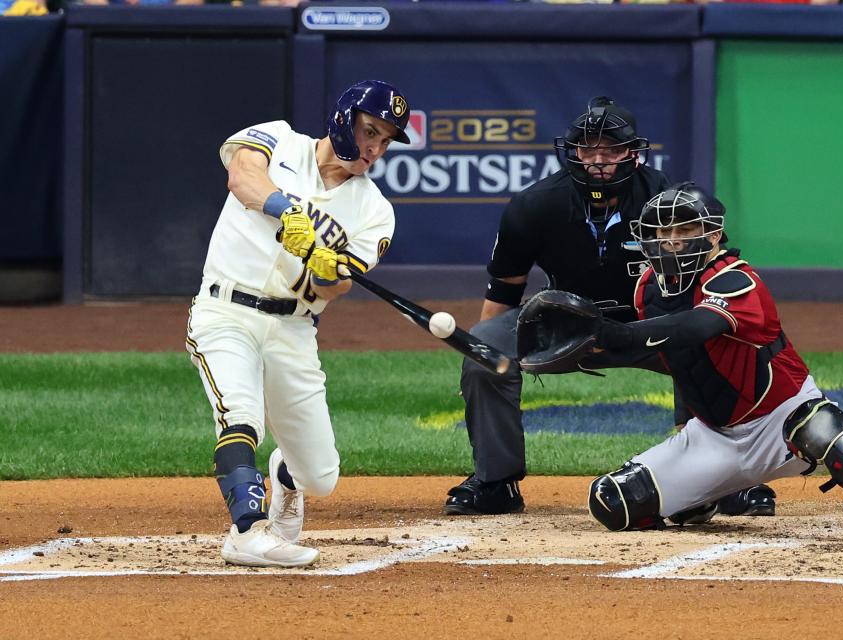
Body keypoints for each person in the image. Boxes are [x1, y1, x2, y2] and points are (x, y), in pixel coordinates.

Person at [519, 183, 843, 542]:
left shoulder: (735, 278)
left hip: (779, 418)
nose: (672, 241)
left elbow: (697, 327)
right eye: (663, 232)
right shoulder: (649, 288)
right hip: (714, 436)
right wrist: (595, 354)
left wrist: (617, 334)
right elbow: (672, 354)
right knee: (612, 503)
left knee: (819, 421)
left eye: (684, 230)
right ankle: (703, 498)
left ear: (713, 235)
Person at [445, 97, 776, 520]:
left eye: (611, 149)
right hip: (564, 324)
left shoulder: (665, 200)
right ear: (572, 152)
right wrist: (480, 361)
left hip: (652, 322)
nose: (598, 161)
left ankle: (729, 480)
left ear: (632, 153)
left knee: (709, 342)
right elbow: (504, 292)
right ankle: (495, 483)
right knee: (484, 351)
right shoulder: (534, 206)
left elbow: (704, 279)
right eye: (587, 150)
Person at [186, 79, 411, 567]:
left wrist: (328, 270)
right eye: (370, 131)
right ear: (344, 118)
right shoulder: (278, 139)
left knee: (320, 475)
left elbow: (338, 286)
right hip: (225, 311)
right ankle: (247, 530)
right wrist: (285, 209)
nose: (375, 148)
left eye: (386, 140)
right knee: (240, 414)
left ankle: (286, 477)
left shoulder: (376, 211)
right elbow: (243, 176)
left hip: (293, 330)